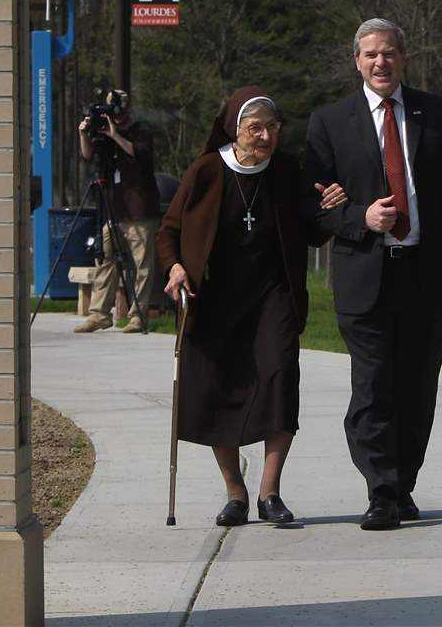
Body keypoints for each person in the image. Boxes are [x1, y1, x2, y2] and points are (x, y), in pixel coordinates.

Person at [303, 18, 442, 530]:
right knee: (373, 387)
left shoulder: (437, 112)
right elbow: (314, 211)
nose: (379, 62)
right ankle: (381, 490)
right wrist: (359, 217)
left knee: (417, 389)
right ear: (356, 62)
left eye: (388, 53)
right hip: (364, 277)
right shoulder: (329, 123)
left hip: (425, 274)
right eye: (370, 55)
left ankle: (403, 483)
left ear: (403, 57)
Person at [157, 86, 347, 526]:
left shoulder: (284, 171)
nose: (265, 136)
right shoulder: (205, 172)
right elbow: (167, 232)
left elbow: (311, 232)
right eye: (255, 128)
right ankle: (235, 492)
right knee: (216, 390)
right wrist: (175, 268)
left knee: (279, 376)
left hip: (271, 296)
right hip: (215, 297)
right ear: (234, 129)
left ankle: (270, 492)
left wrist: (328, 208)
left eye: (272, 127)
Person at [75, 89, 160, 334]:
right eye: (114, 113)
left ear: (128, 110)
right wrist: (85, 133)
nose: (117, 118)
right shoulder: (104, 132)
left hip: (139, 209)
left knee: (142, 266)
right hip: (114, 208)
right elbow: (87, 155)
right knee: (105, 259)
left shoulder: (140, 131)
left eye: (120, 113)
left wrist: (116, 135)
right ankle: (99, 314)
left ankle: (137, 316)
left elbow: (141, 154)